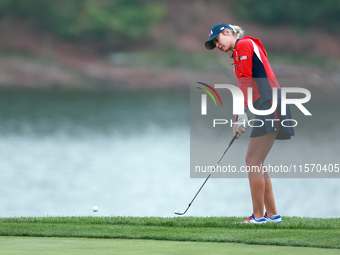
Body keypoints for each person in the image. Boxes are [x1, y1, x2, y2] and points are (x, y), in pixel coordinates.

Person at [204, 23, 295, 223]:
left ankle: (258, 217)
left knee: (252, 160)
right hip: (269, 104)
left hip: (271, 104)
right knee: (257, 162)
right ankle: (272, 216)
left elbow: (245, 81)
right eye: (214, 44)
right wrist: (240, 116)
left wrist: (240, 114)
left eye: (217, 40)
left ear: (227, 32)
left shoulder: (244, 44)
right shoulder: (239, 51)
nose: (217, 46)